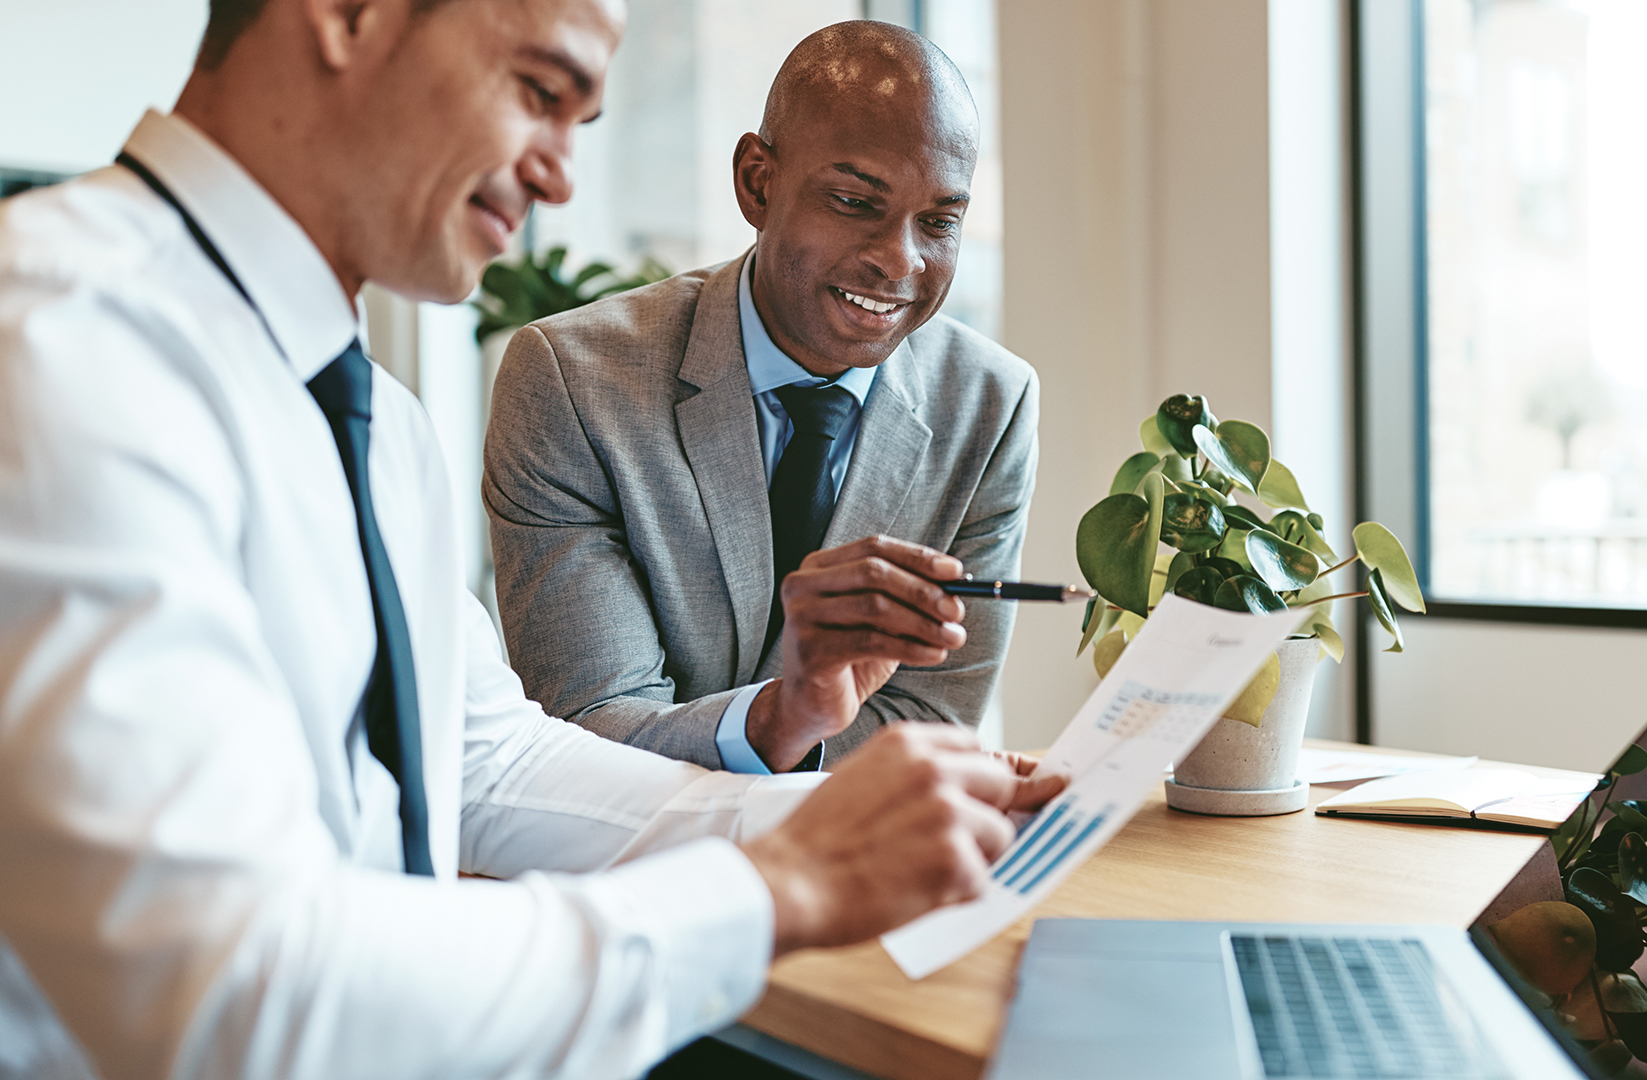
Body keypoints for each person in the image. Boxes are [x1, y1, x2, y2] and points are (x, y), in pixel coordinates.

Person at [0, 2, 1062, 1077]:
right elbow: (224, 987)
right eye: (539, 93)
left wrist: (833, 817)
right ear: (347, 17)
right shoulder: (62, 342)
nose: (558, 177)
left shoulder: (370, 417)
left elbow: (486, 763)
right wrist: (776, 887)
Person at [483, 20, 1038, 775]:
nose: (899, 261)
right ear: (757, 181)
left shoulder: (989, 407)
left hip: (857, 871)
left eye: (939, 221)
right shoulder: (572, 381)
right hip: (629, 872)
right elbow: (588, 727)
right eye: (854, 201)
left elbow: (926, 725)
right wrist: (785, 717)